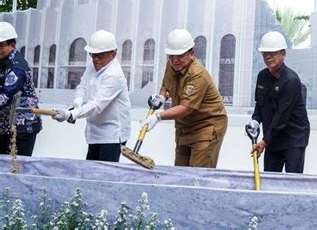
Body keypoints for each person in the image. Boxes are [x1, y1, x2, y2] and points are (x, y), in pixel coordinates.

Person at [144, 29, 227, 168]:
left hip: (206, 126)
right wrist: (161, 97)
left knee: (197, 175)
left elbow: (186, 108)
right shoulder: (172, 64)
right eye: (171, 56)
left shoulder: (197, 74)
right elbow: (166, 86)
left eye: (180, 56)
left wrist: (158, 117)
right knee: (180, 172)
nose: (175, 60)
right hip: (184, 127)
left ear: (192, 53)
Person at [52, 30, 131, 162]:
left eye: (100, 55)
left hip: (112, 134)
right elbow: (82, 86)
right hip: (94, 130)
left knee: (104, 176)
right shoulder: (93, 64)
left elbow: (96, 105)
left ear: (113, 53)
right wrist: (76, 105)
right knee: (91, 171)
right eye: (92, 55)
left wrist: (71, 115)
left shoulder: (114, 75)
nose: (95, 59)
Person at [248, 31, 310, 173]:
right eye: (265, 53)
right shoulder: (262, 76)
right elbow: (260, 104)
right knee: (270, 177)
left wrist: (264, 141)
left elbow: (282, 116)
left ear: (283, 54)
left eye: (273, 53)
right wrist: (255, 121)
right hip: (273, 138)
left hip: (293, 138)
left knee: (291, 182)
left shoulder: (291, 80)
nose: (268, 57)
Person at [0, 22, 42, 156]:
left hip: (23, 128)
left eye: (1, 46)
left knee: (17, 170)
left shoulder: (18, 66)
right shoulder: (3, 62)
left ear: (12, 45)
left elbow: (5, 96)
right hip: (6, 126)